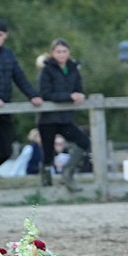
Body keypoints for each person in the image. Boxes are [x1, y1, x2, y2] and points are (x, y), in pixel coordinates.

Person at [0, 18, 42, 191]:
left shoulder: (8, 54)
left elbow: (19, 77)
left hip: (4, 107)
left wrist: (33, 95)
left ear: (5, 36)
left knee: (6, 150)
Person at [36, 38, 90, 192]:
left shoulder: (74, 69)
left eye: (64, 51)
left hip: (65, 118)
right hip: (48, 119)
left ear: (69, 52)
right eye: (58, 51)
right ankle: (46, 187)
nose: (61, 54)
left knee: (83, 142)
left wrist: (80, 95)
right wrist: (69, 96)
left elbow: (79, 88)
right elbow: (45, 93)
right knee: (48, 154)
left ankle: (67, 173)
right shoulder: (46, 70)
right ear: (52, 53)